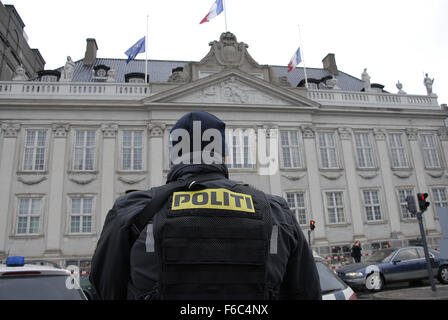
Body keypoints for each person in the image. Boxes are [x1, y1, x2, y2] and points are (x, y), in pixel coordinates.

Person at [90, 111, 321, 300]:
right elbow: (307, 292)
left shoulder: (133, 210)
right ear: (223, 157)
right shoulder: (275, 210)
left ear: (174, 158)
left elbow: (105, 289)